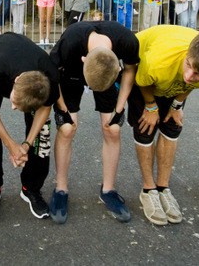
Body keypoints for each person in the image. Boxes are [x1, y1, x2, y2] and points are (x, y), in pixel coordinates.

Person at [127, 26, 199, 226]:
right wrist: (151, 107)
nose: (189, 75)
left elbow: (190, 83)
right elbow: (142, 81)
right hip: (143, 71)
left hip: (170, 78)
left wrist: (177, 104)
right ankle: (148, 190)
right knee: (146, 129)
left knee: (172, 127)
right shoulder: (158, 62)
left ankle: (163, 188)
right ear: (188, 53)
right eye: (189, 65)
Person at [48, 21, 139, 224]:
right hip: (70, 74)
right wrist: (63, 110)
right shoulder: (70, 42)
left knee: (113, 129)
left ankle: (108, 190)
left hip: (106, 76)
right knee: (67, 129)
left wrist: (120, 108)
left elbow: (131, 70)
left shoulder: (128, 41)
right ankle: (61, 188)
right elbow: (52, 76)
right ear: (84, 59)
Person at [0, 32, 59, 221]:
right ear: (14, 83)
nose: (12, 108)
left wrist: (27, 144)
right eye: (14, 101)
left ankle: (32, 188)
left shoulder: (51, 77)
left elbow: (45, 109)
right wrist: (11, 144)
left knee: (42, 134)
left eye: (17, 106)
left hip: (29, 68)